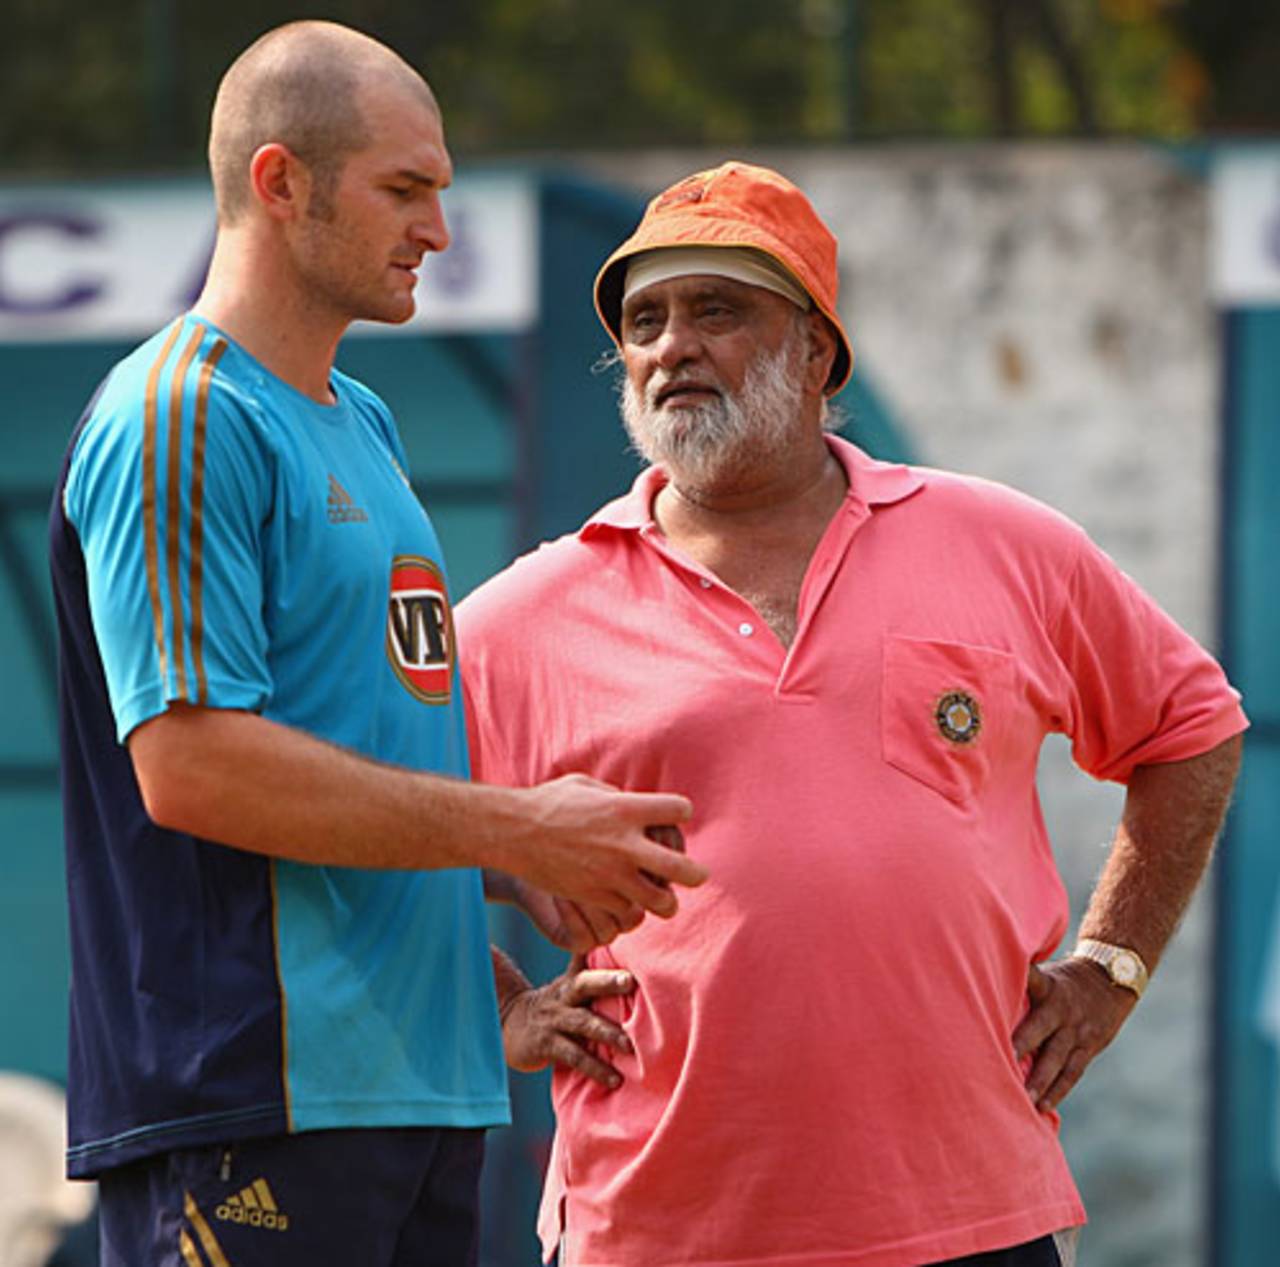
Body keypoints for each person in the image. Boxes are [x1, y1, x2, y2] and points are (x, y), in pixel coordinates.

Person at [456, 161, 1247, 1267]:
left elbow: (1191, 728)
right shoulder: (529, 612)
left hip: (972, 1212)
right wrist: (490, 1008)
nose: (670, 346)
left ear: (816, 349)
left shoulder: (1001, 543)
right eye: (644, 320)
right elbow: (372, 823)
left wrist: (1108, 965)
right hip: (657, 1227)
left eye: (716, 309)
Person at [47, 21, 707, 1267]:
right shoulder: (182, 415)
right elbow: (193, 766)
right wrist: (513, 825)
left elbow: (354, 762)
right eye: (404, 189)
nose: (437, 230)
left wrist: (499, 951)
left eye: (441, 192)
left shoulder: (363, 420)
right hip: (249, 1103)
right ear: (279, 181)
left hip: (421, 1096)